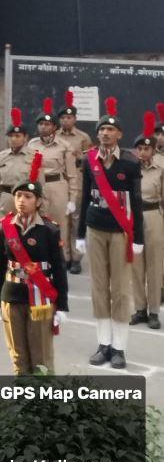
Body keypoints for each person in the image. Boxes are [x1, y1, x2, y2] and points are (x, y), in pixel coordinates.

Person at [76, 99, 143, 370]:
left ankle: (120, 348)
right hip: (95, 228)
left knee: (121, 290)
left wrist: (138, 237)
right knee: (99, 288)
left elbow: (136, 202)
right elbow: (83, 199)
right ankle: (104, 344)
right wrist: (79, 233)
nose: (105, 133)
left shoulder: (129, 162)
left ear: (120, 135)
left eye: (110, 129)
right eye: (101, 129)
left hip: (120, 232)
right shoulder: (89, 159)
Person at [0, 153, 68, 374]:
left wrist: (61, 304)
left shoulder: (48, 230)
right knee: (18, 356)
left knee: (41, 357)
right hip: (12, 295)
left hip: (40, 299)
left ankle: (44, 405)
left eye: (27, 196)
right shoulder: (6, 227)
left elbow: (59, 268)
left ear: (38, 201)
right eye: (18, 196)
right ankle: (23, 404)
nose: (21, 201)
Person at [130, 114, 164, 330]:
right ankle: (140, 308)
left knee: (154, 266)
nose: (143, 152)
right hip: (134, 218)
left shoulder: (160, 171)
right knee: (135, 266)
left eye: (147, 149)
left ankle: (153, 311)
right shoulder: (129, 170)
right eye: (139, 148)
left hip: (153, 216)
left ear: (153, 151)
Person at [27, 98, 79, 236]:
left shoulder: (64, 146)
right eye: (41, 124)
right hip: (37, 187)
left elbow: (72, 175)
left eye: (47, 124)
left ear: (55, 127)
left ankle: (60, 256)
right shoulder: (31, 144)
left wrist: (72, 200)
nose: (43, 127)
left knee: (59, 226)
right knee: (37, 224)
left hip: (57, 187)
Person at [57, 92, 92, 274]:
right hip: (61, 181)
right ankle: (64, 256)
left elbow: (91, 159)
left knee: (78, 220)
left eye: (69, 117)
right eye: (63, 117)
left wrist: (80, 157)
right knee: (63, 220)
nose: (66, 121)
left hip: (78, 180)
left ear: (75, 118)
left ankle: (77, 258)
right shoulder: (55, 136)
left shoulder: (83, 137)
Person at [0, 108, 40, 221]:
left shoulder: (34, 157)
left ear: (25, 138)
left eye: (17, 136)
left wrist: (40, 210)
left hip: (26, 200)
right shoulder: (0, 157)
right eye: (11, 136)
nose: (13, 139)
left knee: (25, 235)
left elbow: (41, 185)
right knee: (7, 235)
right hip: (6, 200)